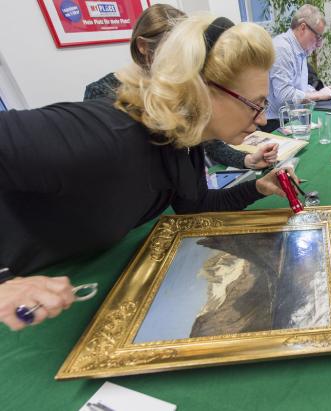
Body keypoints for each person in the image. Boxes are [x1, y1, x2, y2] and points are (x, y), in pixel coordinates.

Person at [0, 15, 299, 331]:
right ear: (202, 89)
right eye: (255, 104)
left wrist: (258, 188)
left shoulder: (183, 140)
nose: (264, 119)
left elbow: (193, 207)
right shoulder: (105, 134)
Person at [84, 4, 277, 170]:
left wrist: (246, 160)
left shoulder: (186, 101)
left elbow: (207, 138)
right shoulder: (105, 98)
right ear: (143, 46)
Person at [262, 4, 331, 132]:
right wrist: (319, 95)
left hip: (291, 117)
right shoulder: (282, 48)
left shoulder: (299, 49)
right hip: (275, 122)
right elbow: (285, 96)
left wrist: (317, 91)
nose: (319, 44)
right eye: (317, 37)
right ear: (303, 28)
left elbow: (298, 87)